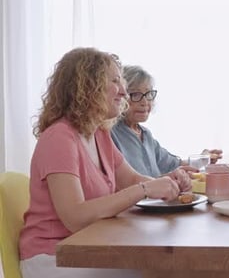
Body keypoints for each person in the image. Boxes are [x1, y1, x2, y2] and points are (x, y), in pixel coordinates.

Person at [19, 48, 193, 278]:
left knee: (169, 266)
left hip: (89, 246)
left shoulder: (100, 134)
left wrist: (165, 183)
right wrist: (146, 188)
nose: (123, 91)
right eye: (114, 81)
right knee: (159, 270)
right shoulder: (59, 137)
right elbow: (75, 217)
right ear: (86, 86)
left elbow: (131, 179)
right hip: (54, 257)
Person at [110, 65, 222, 178]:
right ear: (121, 95)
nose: (145, 102)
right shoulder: (111, 134)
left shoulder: (146, 135)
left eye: (148, 94)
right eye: (136, 94)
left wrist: (203, 159)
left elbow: (174, 165)